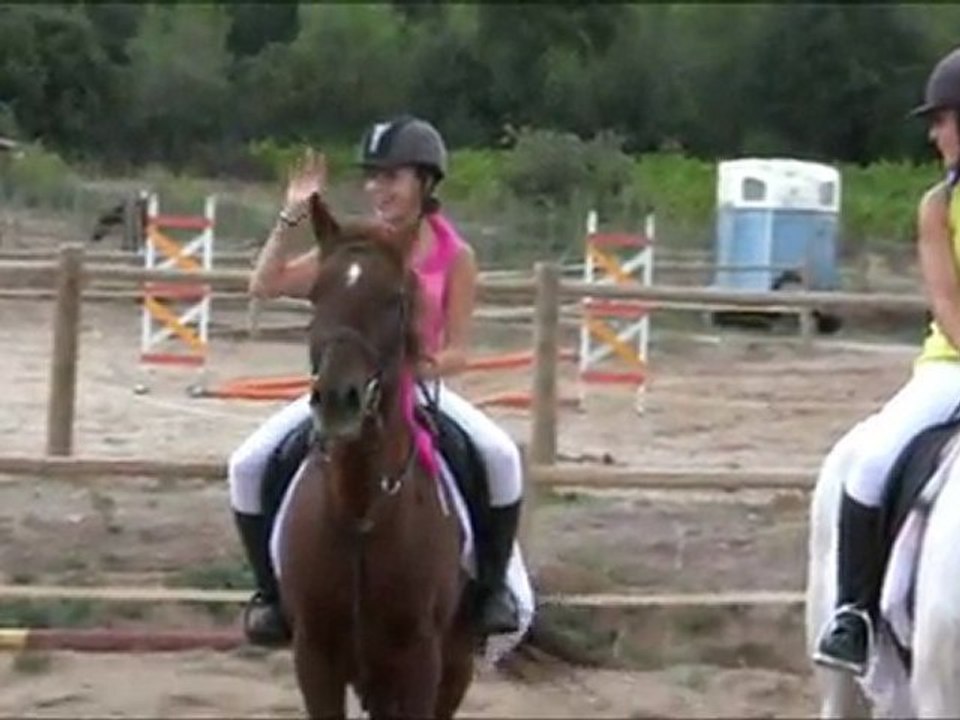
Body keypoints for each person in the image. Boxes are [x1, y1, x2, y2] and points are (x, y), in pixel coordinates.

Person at [227, 115, 524, 646]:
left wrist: (416, 368)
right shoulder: (352, 248)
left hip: (418, 388)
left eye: (392, 177)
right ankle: (271, 596)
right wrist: (293, 213)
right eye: (373, 177)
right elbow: (264, 284)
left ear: (425, 183)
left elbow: (458, 349)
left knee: (501, 456)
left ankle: (491, 591)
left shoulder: (456, 257)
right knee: (247, 463)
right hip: (348, 383)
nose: (378, 188)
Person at [813, 46, 960, 677]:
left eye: (942, 118)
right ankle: (855, 614)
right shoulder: (938, 206)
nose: (934, 133)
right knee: (871, 461)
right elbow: (947, 302)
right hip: (953, 366)